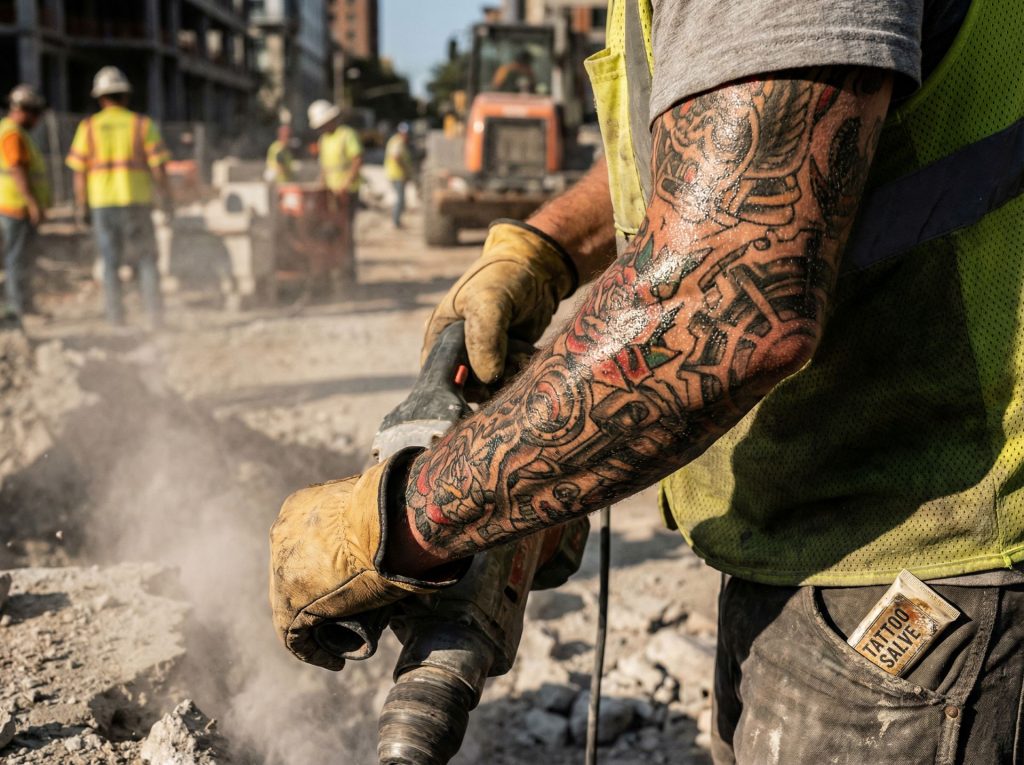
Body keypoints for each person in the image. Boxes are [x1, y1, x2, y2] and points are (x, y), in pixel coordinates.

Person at [272, 1, 1024, 762]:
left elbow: (724, 304)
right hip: (827, 515)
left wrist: (404, 520)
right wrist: (549, 246)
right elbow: (732, 104)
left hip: (931, 560)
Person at [66, 66, 172, 328]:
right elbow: (159, 167)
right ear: (125, 96)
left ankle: (116, 319)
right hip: (136, 200)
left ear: (101, 98)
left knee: (110, 262)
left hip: (102, 203)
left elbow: (79, 172)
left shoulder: (89, 127)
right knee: (146, 259)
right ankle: (154, 317)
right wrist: (166, 197)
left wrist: (82, 205)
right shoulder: (141, 125)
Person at [0, 84, 50, 324]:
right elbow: (17, 169)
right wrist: (32, 202)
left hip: (14, 205)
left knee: (23, 258)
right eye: (34, 113)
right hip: (15, 206)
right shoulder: (13, 133)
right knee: (17, 259)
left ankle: (24, 306)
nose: (37, 119)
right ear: (21, 110)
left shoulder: (12, 131)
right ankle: (18, 310)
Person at [308, 99, 362, 285]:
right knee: (329, 231)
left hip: (347, 193)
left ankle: (347, 272)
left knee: (344, 231)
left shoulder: (347, 134)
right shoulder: (324, 140)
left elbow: (356, 160)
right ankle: (331, 270)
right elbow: (325, 167)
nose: (322, 128)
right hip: (330, 193)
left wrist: (346, 184)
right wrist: (320, 186)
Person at [384, 123, 412, 229]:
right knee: (400, 199)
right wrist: (404, 169)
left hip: (396, 174)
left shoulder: (397, 141)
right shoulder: (397, 142)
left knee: (400, 199)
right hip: (397, 175)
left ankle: (397, 221)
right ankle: (396, 221)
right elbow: (396, 157)